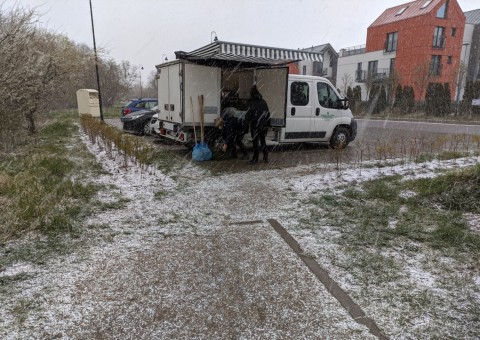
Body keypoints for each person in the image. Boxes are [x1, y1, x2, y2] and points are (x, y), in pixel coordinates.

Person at [244, 85, 270, 164]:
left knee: (255, 142)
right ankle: (265, 157)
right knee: (262, 141)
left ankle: (255, 159)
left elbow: (247, 116)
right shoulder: (263, 101)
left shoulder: (251, 103)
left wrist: (246, 126)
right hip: (263, 125)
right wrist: (267, 124)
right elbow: (268, 114)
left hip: (255, 125)